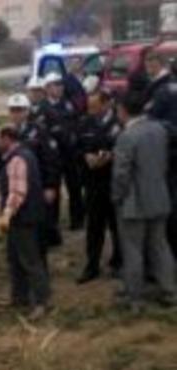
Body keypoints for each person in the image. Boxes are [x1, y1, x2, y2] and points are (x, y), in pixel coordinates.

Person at [112, 92, 177, 311]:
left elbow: (121, 174)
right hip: (159, 196)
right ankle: (169, 290)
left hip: (134, 202)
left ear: (123, 110)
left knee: (133, 250)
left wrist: (117, 196)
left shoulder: (127, 136)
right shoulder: (159, 130)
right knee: (160, 246)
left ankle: (135, 297)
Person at [0, 94, 60, 252]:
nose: (17, 114)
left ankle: (40, 249)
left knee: (37, 221)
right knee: (14, 218)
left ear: (27, 111)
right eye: (13, 110)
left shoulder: (38, 131)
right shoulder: (1, 133)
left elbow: (50, 160)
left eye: (20, 110)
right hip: (12, 184)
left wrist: (50, 185)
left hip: (35, 184)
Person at [0, 124, 51, 319]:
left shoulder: (17, 159)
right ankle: (19, 297)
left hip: (23, 218)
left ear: (7, 138)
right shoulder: (24, 154)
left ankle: (42, 302)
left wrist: (6, 215)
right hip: (23, 217)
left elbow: (17, 192)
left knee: (30, 260)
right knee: (15, 259)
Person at [76, 90, 123, 284]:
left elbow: (125, 150)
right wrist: (85, 156)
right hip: (93, 184)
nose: (91, 110)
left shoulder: (119, 124)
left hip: (113, 183)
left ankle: (118, 262)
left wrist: (109, 157)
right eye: (89, 107)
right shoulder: (85, 123)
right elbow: (77, 146)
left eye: (95, 107)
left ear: (107, 104)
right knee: (94, 227)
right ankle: (92, 265)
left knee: (116, 226)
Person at [143, 50, 177, 257]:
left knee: (169, 201)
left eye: (149, 62)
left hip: (168, 149)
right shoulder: (168, 85)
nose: (147, 67)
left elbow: (152, 119)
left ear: (158, 64)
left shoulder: (162, 90)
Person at [43, 72, 84, 232]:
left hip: (70, 153)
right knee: (54, 188)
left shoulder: (68, 104)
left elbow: (76, 122)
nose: (59, 88)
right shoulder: (43, 108)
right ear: (47, 88)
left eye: (60, 84)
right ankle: (52, 224)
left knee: (74, 187)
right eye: (55, 84)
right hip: (53, 156)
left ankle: (77, 220)